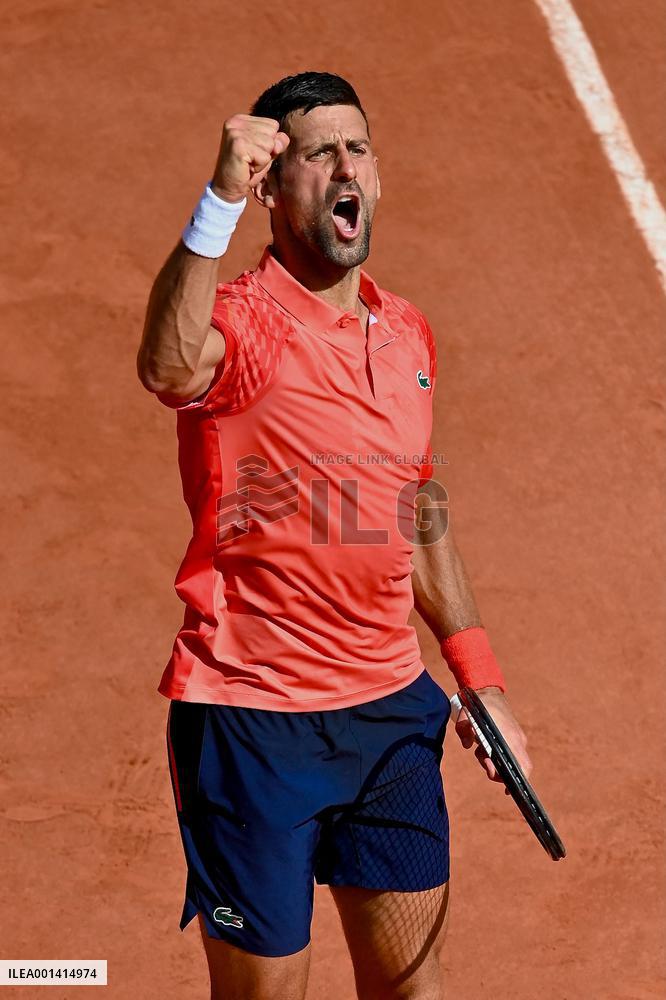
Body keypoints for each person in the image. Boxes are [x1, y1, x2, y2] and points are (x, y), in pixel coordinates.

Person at [137, 71, 531, 1000]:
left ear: (378, 178)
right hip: (253, 718)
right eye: (317, 153)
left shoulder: (406, 335)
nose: (344, 166)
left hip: (391, 714)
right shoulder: (243, 323)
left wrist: (480, 678)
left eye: (357, 148)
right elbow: (164, 363)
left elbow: (414, 506)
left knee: (412, 989)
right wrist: (216, 200)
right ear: (275, 185)